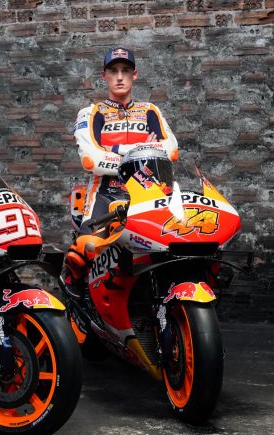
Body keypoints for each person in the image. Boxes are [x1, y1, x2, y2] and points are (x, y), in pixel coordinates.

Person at [62, 47, 179, 296]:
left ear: (134, 75)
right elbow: (92, 160)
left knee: (173, 247)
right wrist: (143, 149)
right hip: (105, 193)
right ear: (104, 75)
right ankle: (74, 293)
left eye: (125, 71)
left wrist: (113, 149)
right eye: (113, 71)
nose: (119, 77)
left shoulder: (150, 111)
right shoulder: (91, 112)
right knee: (84, 250)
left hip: (149, 193)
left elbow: (170, 151)